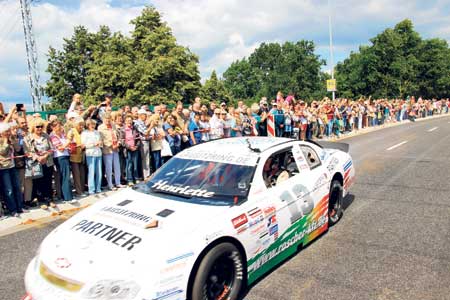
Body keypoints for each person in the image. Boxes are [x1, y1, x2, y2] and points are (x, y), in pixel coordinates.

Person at [24, 118, 55, 209]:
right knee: (38, 182)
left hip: (47, 162)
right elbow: (27, 151)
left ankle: (49, 199)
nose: (40, 128)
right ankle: (41, 201)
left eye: (41, 126)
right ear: (33, 127)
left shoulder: (46, 136)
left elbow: (51, 148)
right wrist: (37, 158)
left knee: (48, 181)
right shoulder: (28, 137)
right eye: (38, 127)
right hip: (36, 164)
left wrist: (45, 156)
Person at [0, 122, 24, 217]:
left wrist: (14, 140)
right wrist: (6, 141)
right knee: (8, 189)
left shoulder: (11, 139)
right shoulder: (2, 140)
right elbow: (2, 151)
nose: (8, 133)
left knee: (17, 187)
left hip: (13, 166)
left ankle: (19, 207)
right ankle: (12, 210)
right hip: (4, 168)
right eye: (6, 131)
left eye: (8, 131)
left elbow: (18, 149)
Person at [49, 120, 74, 203]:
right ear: (53, 127)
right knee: (65, 176)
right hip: (60, 157)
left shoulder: (62, 135)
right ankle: (68, 197)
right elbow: (61, 148)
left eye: (60, 125)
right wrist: (69, 141)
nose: (59, 128)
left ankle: (66, 195)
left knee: (65, 176)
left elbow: (66, 147)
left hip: (66, 156)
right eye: (57, 126)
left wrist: (69, 145)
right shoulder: (53, 136)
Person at [99, 113, 122, 190]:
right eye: (106, 119)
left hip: (116, 149)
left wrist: (118, 143)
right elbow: (102, 139)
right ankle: (110, 184)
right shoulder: (101, 128)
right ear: (103, 120)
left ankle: (118, 183)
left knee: (117, 166)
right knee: (109, 168)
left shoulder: (113, 126)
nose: (108, 121)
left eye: (109, 119)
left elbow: (118, 135)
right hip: (107, 150)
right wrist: (110, 145)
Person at [81, 119, 103, 194]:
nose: (93, 126)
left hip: (98, 153)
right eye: (91, 124)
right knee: (91, 172)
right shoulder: (84, 133)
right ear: (88, 125)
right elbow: (83, 145)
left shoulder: (97, 132)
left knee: (99, 172)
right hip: (90, 153)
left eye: (94, 124)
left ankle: (98, 188)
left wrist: (100, 143)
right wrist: (93, 144)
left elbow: (100, 142)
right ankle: (91, 189)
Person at [67, 118, 86, 197]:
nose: (81, 126)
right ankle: (79, 191)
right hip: (74, 156)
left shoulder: (83, 132)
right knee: (76, 174)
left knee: (82, 173)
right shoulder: (71, 132)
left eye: (82, 125)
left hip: (82, 155)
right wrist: (79, 146)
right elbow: (69, 144)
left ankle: (82, 189)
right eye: (80, 125)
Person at [121, 115, 140, 186]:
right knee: (129, 165)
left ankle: (136, 178)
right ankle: (129, 180)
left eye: (130, 120)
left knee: (135, 165)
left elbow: (138, 139)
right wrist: (129, 147)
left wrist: (136, 146)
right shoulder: (123, 130)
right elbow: (122, 141)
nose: (129, 122)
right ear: (125, 121)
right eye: (128, 120)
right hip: (128, 149)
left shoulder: (135, 129)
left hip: (135, 149)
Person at [134, 109, 151, 179]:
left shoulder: (144, 123)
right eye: (145, 115)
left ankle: (147, 174)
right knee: (145, 160)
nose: (146, 116)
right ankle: (146, 175)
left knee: (147, 159)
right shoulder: (137, 123)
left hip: (147, 141)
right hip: (142, 143)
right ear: (140, 115)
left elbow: (150, 135)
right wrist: (152, 126)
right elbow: (145, 132)